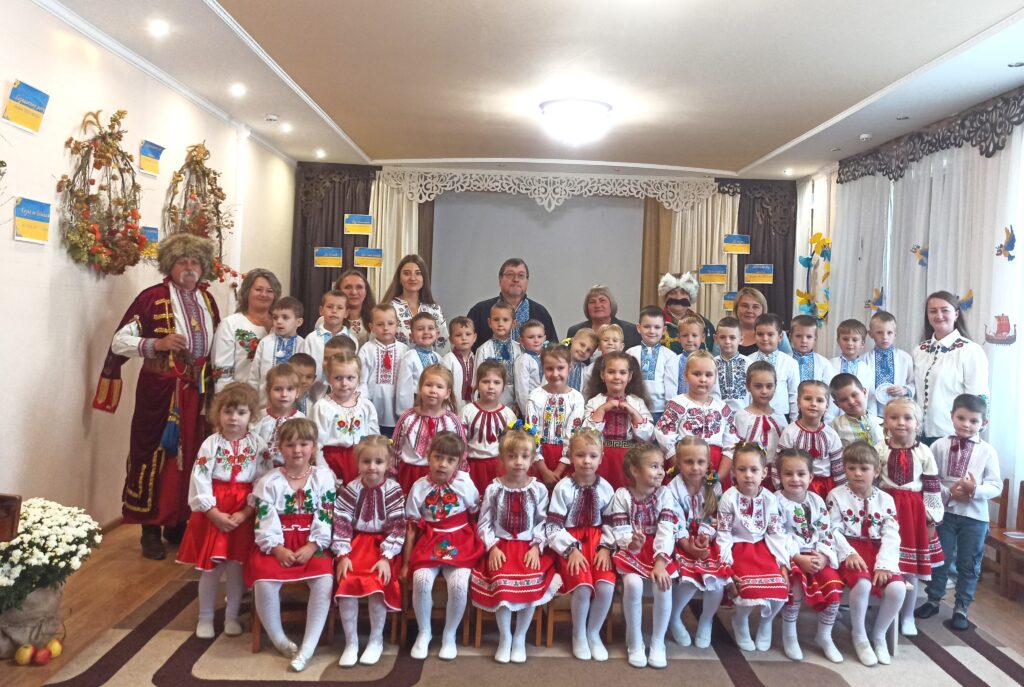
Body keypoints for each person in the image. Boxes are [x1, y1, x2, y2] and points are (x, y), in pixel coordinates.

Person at [93, 233, 221, 560]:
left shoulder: (208, 300)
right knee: (154, 455)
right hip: (161, 393)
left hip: (197, 394)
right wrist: (157, 344)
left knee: (192, 456)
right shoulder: (152, 298)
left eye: (195, 262)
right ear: (169, 265)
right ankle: (149, 529)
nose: (189, 268)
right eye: (182, 261)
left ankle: (177, 522)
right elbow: (120, 341)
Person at [176, 382, 270, 639]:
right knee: (212, 568)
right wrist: (212, 512)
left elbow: (262, 480)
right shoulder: (211, 443)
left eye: (241, 412)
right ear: (218, 414)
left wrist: (247, 512)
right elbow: (200, 477)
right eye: (228, 412)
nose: (234, 418)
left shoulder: (258, 445)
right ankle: (205, 617)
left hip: (242, 512)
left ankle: (231, 616)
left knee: (237, 568)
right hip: (215, 511)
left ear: (252, 415)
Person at [246, 418, 336, 673]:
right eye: (290, 444)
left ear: (314, 447)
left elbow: (326, 514)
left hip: (311, 542)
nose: (297, 450)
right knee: (264, 580)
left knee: (324, 579)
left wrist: (312, 545)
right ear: (280, 448)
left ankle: (307, 647)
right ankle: (280, 639)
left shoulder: (323, 477)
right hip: (278, 543)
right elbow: (264, 518)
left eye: (304, 444)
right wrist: (277, 548)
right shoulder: (269, 481)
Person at [471, 426, 561, 664]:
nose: (518, 462)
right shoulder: (493, 488)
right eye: (512, 456)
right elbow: (484, 523)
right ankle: (505, 637)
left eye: (524, 456)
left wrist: (536, 547)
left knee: (531, 580)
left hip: (529, 547)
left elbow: (544, 522)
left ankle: (520, 637)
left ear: (532, 459)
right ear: (502, 459)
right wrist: (492, 548)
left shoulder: (538, 489)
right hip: (500, 547)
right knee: (501, 581)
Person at [916, 394, 1001, 631]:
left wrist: (974, 490)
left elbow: (996, 485)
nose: (966, 424)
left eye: (973, 421)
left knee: (968, 563)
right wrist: (948, 493)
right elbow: (929, 479)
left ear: (983, 423)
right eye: (961, 418)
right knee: (939, 559)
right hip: (944, 512)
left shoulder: (988, 451)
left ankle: (962, 607)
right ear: (952, 416)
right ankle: (933, 600)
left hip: (974, 517)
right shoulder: (938, 446)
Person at [402, 432, 484, 660]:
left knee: (458, 584)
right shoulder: (419, 487)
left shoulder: (464, 483)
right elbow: (411, 528)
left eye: (450, 460)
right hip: (429, 540)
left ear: (459, 463)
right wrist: (406, 563)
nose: (443, 464)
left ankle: (449, 634)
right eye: (438, 457)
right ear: (428, 457)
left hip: (460, 540)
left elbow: (475, 512)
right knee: (420, 580)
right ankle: (424, 632)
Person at [827, 441, 906, 667]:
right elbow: (832, 529)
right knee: (862, 584)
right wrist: (849, 553)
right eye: (851, 468)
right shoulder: (836, 495)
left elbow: (891, 533)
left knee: (898, 588)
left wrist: (884, 564)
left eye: (864, 468)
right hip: (850, 550)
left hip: (879, 551)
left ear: (876, 471)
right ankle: (859, 636)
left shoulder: (885, 499)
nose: (857, 473)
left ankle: (878, 634)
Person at [332, 435, 406, 667]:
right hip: (355, 546)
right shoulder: (351, 489)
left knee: (377, 583)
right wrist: (343, 555)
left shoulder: (394, 490)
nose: (372, 467)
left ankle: (376, 640)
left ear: (388, 464)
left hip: (383, 548)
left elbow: (398, 526)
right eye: (366, 461)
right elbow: (341, 521)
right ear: (358, 463)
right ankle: (351, 642)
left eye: (378, 462)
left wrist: (386, 557)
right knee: (347, 581)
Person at [874, 397, 944, 637]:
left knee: (909, 568)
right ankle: (884, 611)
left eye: (907, 418)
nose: (901, 423)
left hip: (913, 512)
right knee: (885, 563)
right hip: (886, 508)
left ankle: (907, 616)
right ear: (885, 422)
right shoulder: (880, 448)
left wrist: (932, 519)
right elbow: (873, 480)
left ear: (918, 423)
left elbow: (932, 487)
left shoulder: (924, 452)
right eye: (894, 417)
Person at [545, 429, 616, 661]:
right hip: (570, 543)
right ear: (570, 456)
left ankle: (593, 632)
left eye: (593, 456)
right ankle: (579, 634)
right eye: (580, 455)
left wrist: (605, 548)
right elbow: (553, 526)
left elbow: (611, 522)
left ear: (601, 457)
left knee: (605, 586)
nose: (587, 461)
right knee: (583, 587)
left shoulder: (606, 488)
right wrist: (571, 550)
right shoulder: (563, 488)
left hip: (598, 542)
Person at [609, 444, 678, 669]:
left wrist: (660, 563)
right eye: (654, 466)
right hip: (632, 549)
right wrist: (633, 543)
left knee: (663, 584)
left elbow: (667, 529)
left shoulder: (665, 493)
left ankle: (658, 642)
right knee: (633, 584)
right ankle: (635, 640)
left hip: (658, 550)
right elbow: (620, 530)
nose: (660, 472)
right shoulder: (622, 495)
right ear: (635, 471)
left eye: (661, 466)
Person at [716, 442, 790, 652]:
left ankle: (766, 623)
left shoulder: (769, 498)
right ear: (734, 471)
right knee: (746, 588)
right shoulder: (729, 498)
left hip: (763, 548)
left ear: (764, 472)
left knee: (780, 586)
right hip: (738, 548)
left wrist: (782, 563)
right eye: (742, 469)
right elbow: (724, 534)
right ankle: (740, 621)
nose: (748, 475)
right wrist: (727, 566)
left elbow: (775, 532)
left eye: (754, 470)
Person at [775, 448, 844, 663]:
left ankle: (824, 635)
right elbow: (777, 534)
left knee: (833, 584)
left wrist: (824, 556)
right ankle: (789, 634)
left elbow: (826, 531)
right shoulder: (775, 501)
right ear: (779, 476)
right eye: (788, 474)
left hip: (816, 554)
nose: (795, 479)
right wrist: (797, 557)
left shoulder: (817, 501)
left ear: (811, 477)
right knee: (795, 584)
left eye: (801, 474)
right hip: (790, 556)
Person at [666, 437, 731, 649]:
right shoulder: (671, 488)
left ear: (709, 463)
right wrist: (687, 545)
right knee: (688, 581)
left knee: (716, 582)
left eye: (700, 462)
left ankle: (706, 620)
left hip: (707, 538)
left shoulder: (713, 485)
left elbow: (715, 514)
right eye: (688, 462)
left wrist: (705, 536)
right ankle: (674, 617)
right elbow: (673, 518)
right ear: (678, 463)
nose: (695, 467)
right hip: (681, 540)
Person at [912, 291, 990, 443]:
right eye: (933, 311)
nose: (939, 315)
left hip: (953, 435)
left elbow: (978, 397)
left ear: (956, 314)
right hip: (919, 433)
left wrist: (971, 432)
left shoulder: (970, 350)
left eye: (945, 310)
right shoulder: (919, 350)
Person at [655, 351, 740, 486]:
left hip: (716, 465)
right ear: (685, 376)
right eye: (697, 374)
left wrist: (720, 476)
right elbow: (664, 435)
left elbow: (731, 443)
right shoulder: (676, 404)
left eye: (708, 375)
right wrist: (680, 466)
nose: (703, 379)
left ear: (715, 378)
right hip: (684, 463)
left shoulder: (722, 408)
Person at [391, 365, 467, 494]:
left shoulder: (452, 421)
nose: (433, 390)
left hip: (441, 474)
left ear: (447, 393)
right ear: (420, 388)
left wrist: (459, 476)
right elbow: (395, 447)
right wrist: (392, 474)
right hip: (409, 473)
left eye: (439, 387)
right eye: (428, 385)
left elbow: (461, 451)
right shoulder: (407, 417)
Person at [583, 352, 654, 489]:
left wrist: (633, 412)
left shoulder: (637, 402)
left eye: (622, 372)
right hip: (600, 457)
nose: (617, 377)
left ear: (630, 376)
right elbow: (586, 434)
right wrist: (603, 409)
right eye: (611, 372)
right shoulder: (595, 402)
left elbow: (647, 436)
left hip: (629, 457)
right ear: (602, 375)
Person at [313, 352, 380, 482]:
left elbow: (374, 439)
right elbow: (316, 445)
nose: (344, 383)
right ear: (329, 378)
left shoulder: (366, 406)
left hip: (362, 461)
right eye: (338, 378)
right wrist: (327, 476)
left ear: (358, 378)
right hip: (332, 463)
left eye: (350, 378)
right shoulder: (322, 407)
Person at [211, 268, 280, 392]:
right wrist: (228, 400)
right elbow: (222, 374)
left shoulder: (281, 325)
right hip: (242, 399)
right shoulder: (230, 325)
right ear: (247, 291)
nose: (264, 295)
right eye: (258, 289)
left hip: (279, 399)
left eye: (270, 291)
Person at [528, 345, 586, 489]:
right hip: (538, 458)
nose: (555, 374)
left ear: (570, 368)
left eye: (560, 368)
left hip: (566, 458)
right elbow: (531, 433)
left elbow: (573, 435)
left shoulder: (576, 398)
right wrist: (543, 470)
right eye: (549, 368)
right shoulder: (535, 396)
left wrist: (559, 470)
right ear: (542, 368)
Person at [467, 258, 557, 347]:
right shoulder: (480, 311)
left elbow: (553, 350)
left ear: (527, 282)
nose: (516, 279)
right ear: (500, 280)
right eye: (510, 275)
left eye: (521, 275)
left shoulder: (540, 313)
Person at [777, 380, 844, 498]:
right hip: (796, 485)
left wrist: (841, 494)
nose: (813, 404)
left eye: (819, 400)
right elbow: (779, 463)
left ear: (827, 406)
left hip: (825, 487)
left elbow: (838, 468)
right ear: (798, 403)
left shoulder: (831, 434)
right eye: (808, 399)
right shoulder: (790, 432)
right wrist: (780, 488)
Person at [460, 361, 517, 493]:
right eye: (485, 382)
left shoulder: (508, 414)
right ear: (477, 384)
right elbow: (460, 442)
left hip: (500, 467)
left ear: (503, 387)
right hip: (473, 466)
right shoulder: (467, 411)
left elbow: (513, 445)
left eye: (496, 382)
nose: (491, 387)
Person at [733, 362, 786, 490]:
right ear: (748, 386)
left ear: (775, 386)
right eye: (758, 386)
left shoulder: (780, 417)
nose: (764, 391)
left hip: (777, 475)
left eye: (769, 386)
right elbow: (736, 449)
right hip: (750, 474)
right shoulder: (742, 416)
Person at [381, 254, 450, 353]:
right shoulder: (388, 309)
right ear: (399, 278)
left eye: (418, 273)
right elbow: (376, 345)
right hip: (396, 362)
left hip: (432, 362)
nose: (413, 278)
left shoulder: (434, 309)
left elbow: (444, 347)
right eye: (407, 273)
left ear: (424, 278)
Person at [358, 304, 408, 436]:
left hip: (396, 406)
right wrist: (364, 403)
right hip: (373, 404)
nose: (386, 328)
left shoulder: (404, 350)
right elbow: (361, 380)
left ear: (397, 325)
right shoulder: (367, 349)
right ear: (371, 327)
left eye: (390, 323)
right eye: (380, 324)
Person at [249, 297, 307, 404]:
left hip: (293, 406)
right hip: (264, 405)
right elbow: (254, 376)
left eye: (285, 317)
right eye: (275, 318)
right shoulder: (265, 343)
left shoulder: (303, 345)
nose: (279, 321)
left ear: (298, 322)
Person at [627, 306, 679, 422]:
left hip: (661, 411)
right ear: (639, 328)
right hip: (634, 408)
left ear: (664, 330)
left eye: (657, 327)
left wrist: (670, 411)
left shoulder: (670, 356)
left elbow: (671, 386)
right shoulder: (630, 353)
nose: (652, 331)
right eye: (647, 326)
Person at [863, 310, 915, 416]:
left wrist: (905, 390)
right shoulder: (864, 359)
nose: (885, 337)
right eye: (879, 332)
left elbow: (913, 382)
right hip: (873, 411)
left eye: (889, 333)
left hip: (898, 410)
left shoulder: (905, 358)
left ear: (895, 334)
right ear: (871, 334)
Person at [748, 313, 799, 419]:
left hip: (781, 416)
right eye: (760, 334)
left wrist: (794, 421)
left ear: (780, 337)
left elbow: (794, 394)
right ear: (754, 335)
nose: (765, 338)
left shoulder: (790, 362)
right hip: (752, 415)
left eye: (770, 334)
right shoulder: (748, 361)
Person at [253, 364, 305, 467]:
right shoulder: (259, 417)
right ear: (268, 391)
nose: (284, 394)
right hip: (261, 469)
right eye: (278, 389)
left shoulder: (301, 419)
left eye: (290, 389)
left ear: (297, 392)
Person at [474, 301, 523, 408]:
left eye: (505, 320)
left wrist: (518, 403)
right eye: (496, 320)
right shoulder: (483, 349)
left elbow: (522, 379)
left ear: (514, 323)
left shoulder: (519, 349)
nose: (500, 324)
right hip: (489, 402)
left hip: (515, 402)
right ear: (489, 322)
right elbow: (476, 380)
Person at [395, 312, 442, 416]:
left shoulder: (438, 358)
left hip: (436, 404)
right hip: (417, 403)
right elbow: (404, 387)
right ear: (412, 336)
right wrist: (405, 413)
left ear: (437, 333)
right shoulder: (409, 357)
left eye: (430, 328)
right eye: (420, 329)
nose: (426, 332)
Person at [566, 285, 641, 350]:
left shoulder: (631, 330)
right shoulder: (574, 331)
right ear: (587, 307)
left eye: (602, 300)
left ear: (611, 304)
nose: (597, 305)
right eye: (592, 302)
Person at [656, 272, 716, 353]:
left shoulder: (705, 324)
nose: (678, 297)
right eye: (673, 293)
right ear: (665, 297)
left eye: (683, 293)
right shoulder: (654, 323)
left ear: (690, 297)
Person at [305, 290, 357, 380]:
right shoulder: (311, 339)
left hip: (343, 386)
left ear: (346, 313)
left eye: (339, 308)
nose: (334, 311)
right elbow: (305, 367)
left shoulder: (352, 340)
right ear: (321, 310)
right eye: (329, 307)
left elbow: (354, 369)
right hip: (316, 388)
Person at [829, 373, 884, 447]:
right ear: (837, 404)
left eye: (854, 395)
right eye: (844, 399)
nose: (851, 402)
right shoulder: (834, 427)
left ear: (864, 392)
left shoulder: (882, 423)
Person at [734, 287, 792, 357]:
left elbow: (788, 360)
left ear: (763, 310)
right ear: (736, 308)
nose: (749, 310)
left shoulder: (778, 334)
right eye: (744, 306)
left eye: (755, 307)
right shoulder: (725, 332)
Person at [712, 316, 751, 412]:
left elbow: (753, 392)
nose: (727, 341)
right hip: (717, 413)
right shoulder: (711, 363)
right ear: (716, 339)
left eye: (732, 337)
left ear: (741, 339)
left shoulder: (749, 363)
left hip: (744, 413)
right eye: (722, 337)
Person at [441, 316, 478, 412]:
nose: (464, 338)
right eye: (458, 335)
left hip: (473, 408)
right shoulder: (447, 360)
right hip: (451, 407)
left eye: (468, 334)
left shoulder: (476, 359)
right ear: (451, 339)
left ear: (474, 338)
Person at [789, 315, 837, 386]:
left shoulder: (824, 363)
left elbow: (830, 387)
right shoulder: (784, 360)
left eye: (809, 337)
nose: (804, 340)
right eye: (798, 336)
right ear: (790, 337)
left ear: (815, 339)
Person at [830, 319, 873, 397]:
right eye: (845, 339)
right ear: (838, 341)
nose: (850, 343)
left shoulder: (866, 369)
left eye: (855, 340)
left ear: (862, 344)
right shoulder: (829, 365)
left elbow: (867, 396)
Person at [514, 319, 547, 416]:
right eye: (531, 337)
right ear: (522, 341)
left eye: (539, 336)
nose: (536, 340)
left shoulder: (547, 357)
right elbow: (521, 390)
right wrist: (527, 413)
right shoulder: (523, 360)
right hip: (531, 406)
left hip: (547, 405)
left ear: (545, 338)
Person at [336, 270, 376, 347]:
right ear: (338, 291)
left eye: (359, 287)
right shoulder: (326, 320)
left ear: (366, 292)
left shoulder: (377, 319)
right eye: (348, 287)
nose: (354, 292)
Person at [567, 328, 598, 393]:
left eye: (588, 350)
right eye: (582, 345)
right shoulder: (555, 360)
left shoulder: (585, 371)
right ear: (572, 340)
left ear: (591, 354)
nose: (584, 351)